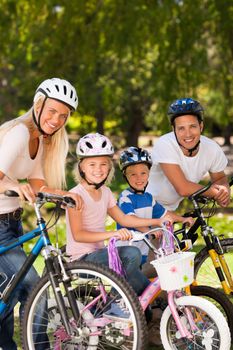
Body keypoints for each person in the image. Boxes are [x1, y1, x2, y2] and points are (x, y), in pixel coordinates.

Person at [0, 78, 82, 350]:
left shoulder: (42, 141)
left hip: (11, 224)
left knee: (7, 294)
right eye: (52, 111)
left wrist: (65, 194)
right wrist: (12, 184)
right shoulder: (20, 133)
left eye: (63, 115)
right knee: (33, 288)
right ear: (38, 104)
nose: (56, 119)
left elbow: (38, 185)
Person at [66, 133, 182, 322]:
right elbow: (79, 235)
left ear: (109, 167)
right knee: (131, 254)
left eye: (103, 164)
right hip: (81, 259)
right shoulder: (75, 195)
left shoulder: (105, 192)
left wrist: (156, 222)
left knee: (144, 294)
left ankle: (119, 312)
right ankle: (115, 305)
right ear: (81, 167)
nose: (98, 169)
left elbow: (125, 219)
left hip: (100, 255)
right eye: (92, 165)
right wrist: (113, 233)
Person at [117, 146, 193, 275]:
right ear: (125, 176)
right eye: (133, 174)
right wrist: (150, 229)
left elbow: (165, 214)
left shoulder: (149, 198)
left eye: (143, 173)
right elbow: (131, 221)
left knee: (142, 284)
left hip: (144, 250)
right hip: (127, 250)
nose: (139, 178)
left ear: (148, 174)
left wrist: (182, 219)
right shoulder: (125, 198)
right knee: (129, 285)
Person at [147, 98, 230, 211]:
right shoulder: (165, 144)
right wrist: (215, 192)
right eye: (181, 128)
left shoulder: (211, 148)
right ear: (174, 129)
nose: (188, 134)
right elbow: (183, 188)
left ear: (201, 126)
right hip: (142, 207)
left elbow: (220, 178)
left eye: (192, 126)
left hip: (168, 211)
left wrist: (224, 191)